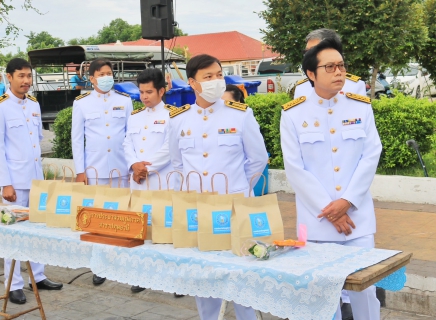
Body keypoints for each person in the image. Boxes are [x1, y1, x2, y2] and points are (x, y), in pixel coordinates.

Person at [280, 38, 382, 320]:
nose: (339, 72)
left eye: (341, 65)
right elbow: (295, 168)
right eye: (330, 67)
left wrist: (347, 201)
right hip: (318, 223)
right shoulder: (293, 114)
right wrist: (331, 210)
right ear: (311, 74)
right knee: (322, 297)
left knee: (366, 293)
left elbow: (371, 154)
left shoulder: (360, 107)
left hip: (357, 221)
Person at [168, 54, 268, 320]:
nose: (216, 81)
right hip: (198, 212)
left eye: (218, 75)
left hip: (235, 209)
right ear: (192, 83)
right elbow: (177, 166)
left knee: (243, 279)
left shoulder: (241, 115)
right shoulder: (178, 120)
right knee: (204, 280)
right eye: (208, 77)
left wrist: (239, 190)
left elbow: (257, 160)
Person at [0, 58, 63, 305]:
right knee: (13, 233)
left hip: (36, 179)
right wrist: (5, 183)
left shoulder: (33, 104)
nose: (26, 81)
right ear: (9, 77)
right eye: (21, 76)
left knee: (38, 228)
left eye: (29, 76)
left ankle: (37, 276)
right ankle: (14, 283)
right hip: (15, 182)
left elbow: (36, 140)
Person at [71, 58, 133, 285]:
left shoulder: (124, 101)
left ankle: (121, 261)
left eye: (109, 73)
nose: (107, 77)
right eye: (102, 74)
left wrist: (132, 164)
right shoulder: (82, 103)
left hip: (120, 167)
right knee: (97, 218)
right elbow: (77, 140)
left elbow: (130, 135)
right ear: (92, 78)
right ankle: (99, 266)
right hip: (95, 169)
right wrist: (80, 171)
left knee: (121, 215)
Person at [123, 68, 182, 295]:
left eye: (149, 92)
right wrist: (133, 166)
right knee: (142, 229)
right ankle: (143, 275)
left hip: (162, 180)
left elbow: (170, 149)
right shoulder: (135, 116)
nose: (144, 97)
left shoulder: (173, 115)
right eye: (141, 92)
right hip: (138, 181)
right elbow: (127, 144)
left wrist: (145, 168)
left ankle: (175, 279)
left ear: (161, 90)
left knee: (167, 229)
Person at [294, 28, 366, 99]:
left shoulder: (355, 86)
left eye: (314, 51)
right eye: (306, 52)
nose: (309, 56)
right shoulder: (301, 88)